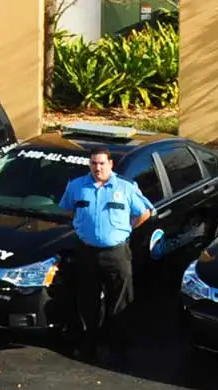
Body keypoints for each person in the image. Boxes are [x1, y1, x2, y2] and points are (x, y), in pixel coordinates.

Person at [58, 148, 153, 359]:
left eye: (101, 163)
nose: (97, 168)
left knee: (120, 301)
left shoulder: (126, 188)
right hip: (86, 252)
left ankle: (117, 346)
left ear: (111, 164)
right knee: (87, 299)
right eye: (93, 163)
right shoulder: (77, 187)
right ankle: (89, 343)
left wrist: (125, 230)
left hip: (116, 254)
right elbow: (67, 209)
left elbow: (144, 213)